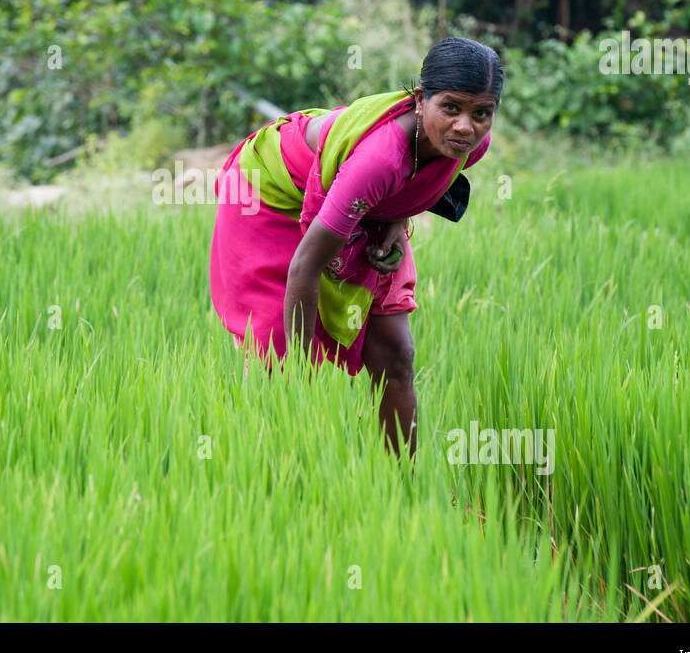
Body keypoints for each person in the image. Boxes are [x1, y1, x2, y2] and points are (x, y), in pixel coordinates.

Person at [209, 37, 503, 457]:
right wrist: (299, 367)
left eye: (482, 113)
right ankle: (263, 474)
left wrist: (396, 225)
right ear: (420, 100)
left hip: (355, 197)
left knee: (396, 354)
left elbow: (414, 185)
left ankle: (403, 488)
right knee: (277, 359)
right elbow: (305, 268)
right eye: (451, 107)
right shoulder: (380, 159)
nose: (465, 126)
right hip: (271, 195)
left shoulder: (466, 146)